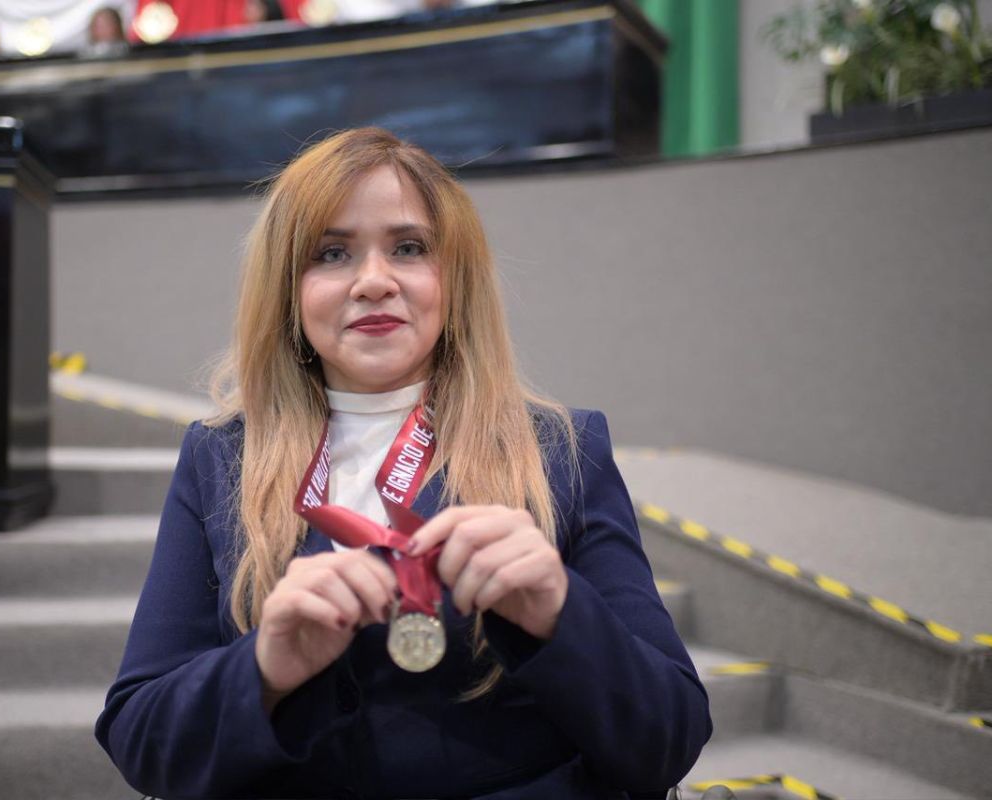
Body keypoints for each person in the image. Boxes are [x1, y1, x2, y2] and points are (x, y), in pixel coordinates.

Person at [95, 127, 711, 799]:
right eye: (331, 253)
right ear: (287, 292)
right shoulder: (221, 459)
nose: (374, 282)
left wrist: (560, 613)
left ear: (455, 280)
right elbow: (143, 742)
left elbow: (668, 740)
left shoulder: (561, 451)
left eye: (409, 248)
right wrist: (264, 668)